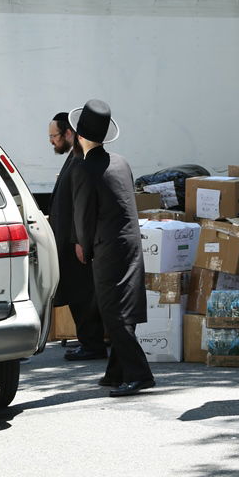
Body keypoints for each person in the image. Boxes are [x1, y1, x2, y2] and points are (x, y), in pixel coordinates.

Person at [70, 100, 155, 397]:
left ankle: (139, 373)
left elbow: (83, 213)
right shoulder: (120, 162)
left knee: (113, 312)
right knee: (124, 308)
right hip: (130, 241)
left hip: (107, 246)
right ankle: (116, 370)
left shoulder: (83, 168)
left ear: (79, 135)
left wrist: (84, 244)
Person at [48, 112, 107, 361]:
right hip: (69, 240)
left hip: (75, 243)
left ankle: (92, 343)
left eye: (54, 136)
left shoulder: (81, 160)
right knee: (77, 292)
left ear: (69, 134)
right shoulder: (74, 158)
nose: (51, 141)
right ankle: (88, 340)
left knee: (82, 293)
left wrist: (79, 240)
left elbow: (81, 206)